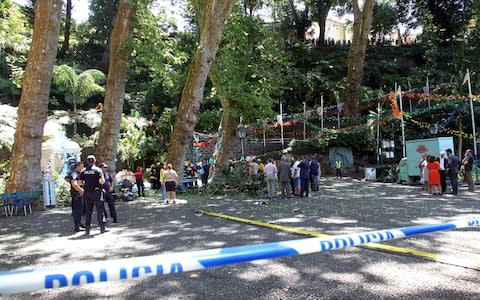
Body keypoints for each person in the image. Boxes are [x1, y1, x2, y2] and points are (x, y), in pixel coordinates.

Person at [79, 155, 106, 235]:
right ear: (95, 161)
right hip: (97, 192)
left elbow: (80, 182)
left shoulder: (83, 171)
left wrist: (86, 184)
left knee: (88, 211)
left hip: (87, 193)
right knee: (100, 210)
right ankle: (102, 227)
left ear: (87, 162)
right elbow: (102, 181)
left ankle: (87, 229)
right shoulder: (98, 170)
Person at [67, 161, 85, 233]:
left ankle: (79, 223)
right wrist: (81, 190)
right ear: (77, 166)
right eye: (81, 166)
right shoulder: (74, 174)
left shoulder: (79, 174)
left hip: (79, 194)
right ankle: (77, 227)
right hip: (77, 194)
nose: (82, 168)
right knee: (77, 211)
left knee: (80, 211)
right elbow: (74, 184)